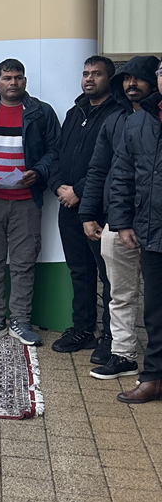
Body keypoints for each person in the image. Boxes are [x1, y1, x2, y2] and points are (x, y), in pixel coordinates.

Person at [0, 58, 61, 346]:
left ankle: (20, 321)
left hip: (26, 202)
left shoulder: (41, 113)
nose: (13, 82)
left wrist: (39, 171)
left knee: (23, 264)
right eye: (7, 78)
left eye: (18, 77)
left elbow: (55, 150)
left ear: (25, 81)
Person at [80, 56, 159, 380]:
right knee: (120, 293)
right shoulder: (116, 120)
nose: (131, 85)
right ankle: (123, 355)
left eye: (138, 79)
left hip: (156, 222)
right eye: (125, 79)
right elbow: (101, 170)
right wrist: (88, 212)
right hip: (120, 220)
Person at [50, 56, 119, 357]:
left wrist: (78, 191)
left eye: (97, 74)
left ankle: (111, 337)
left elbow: (113, 164)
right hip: (68, 207)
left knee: (108, 275)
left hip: (100, 208)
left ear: (109, 78)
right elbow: (58, 153)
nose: (89, 79)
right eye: (86, 74)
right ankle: (83, 329)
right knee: (79, 270)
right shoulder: (73, 112)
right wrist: (58, 187)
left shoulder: (118, 115)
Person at [107, 59, 162, 403]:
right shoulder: (138, 121)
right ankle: (153, 378)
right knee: (155, 310)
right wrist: (123, 222)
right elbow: (122, 175)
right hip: (152, 231)